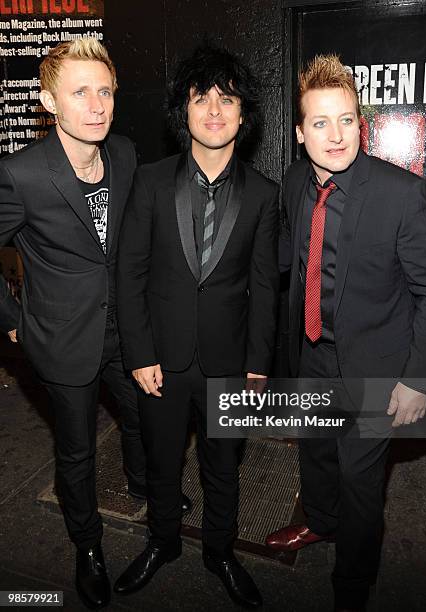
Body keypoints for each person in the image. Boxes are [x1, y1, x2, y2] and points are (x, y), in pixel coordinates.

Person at [266, 54, 426, 612]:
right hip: (314, 355)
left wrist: (418, 381)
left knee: (360, 478)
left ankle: (354, 582)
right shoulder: (296, 182)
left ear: (361, 124)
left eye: (347, 119)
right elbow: (291, 263)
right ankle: (320, 524)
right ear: (300, 133)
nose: (335, 135)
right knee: (318, 454)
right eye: (320, 123)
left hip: (378, 368)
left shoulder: (402, 194)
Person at [0, 39, 169, 610]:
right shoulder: (20, 174)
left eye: (105, 91)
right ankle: (88, 546)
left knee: (146, 417)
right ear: (50, 101)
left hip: (126, 333)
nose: (97, 105)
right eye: (80, 92)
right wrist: (12, 321)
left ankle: (146, 486)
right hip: (62, 340)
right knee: (75, 453)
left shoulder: (123, 152)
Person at [115, 45, 279, 609]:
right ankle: (161, 544)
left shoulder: (263, 195)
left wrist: (258, 364)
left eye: (227, 99)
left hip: (229, 365)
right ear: (182, 111)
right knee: (162, 463)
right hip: (160, 359)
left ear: (243, 114)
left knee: (224, 469)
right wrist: (138, 352)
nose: (214, 110)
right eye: (201, 98)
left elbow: (265, 289)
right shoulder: (151, 182)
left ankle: (221, 552)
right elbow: (130, 272)